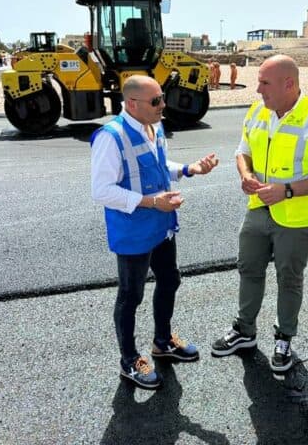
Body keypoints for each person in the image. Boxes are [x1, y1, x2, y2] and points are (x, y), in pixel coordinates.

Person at [211, 54, 308, 374]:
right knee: (249, 268)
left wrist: (286, 190)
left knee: (289, 278)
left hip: (296, 218)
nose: (257, 89)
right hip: (258, 208)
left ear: (289, 84)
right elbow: (243, 152)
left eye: (264, 83)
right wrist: (245, 174)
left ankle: (284, 338)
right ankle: (244, 331)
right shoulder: (259, 111)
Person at [90, 75, 219, 390]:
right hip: (133, 231)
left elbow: (157, 164)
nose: (164, 105)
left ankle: (162, 342)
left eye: (162, 97)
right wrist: (151, 202)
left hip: (162, 224)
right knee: (130, 296)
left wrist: (189, 169)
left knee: (170, 279)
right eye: (156, 101)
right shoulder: (112, 137)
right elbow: (101, 191)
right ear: (132, 104)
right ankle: (129, 361)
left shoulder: (154, 127)